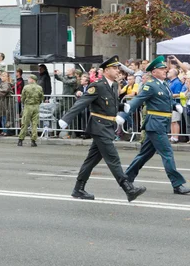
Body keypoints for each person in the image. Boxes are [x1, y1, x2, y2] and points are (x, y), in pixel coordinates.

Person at [58, 55, 147, 202]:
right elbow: (82, 103)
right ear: (106, 70)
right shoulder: (97, 86)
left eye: (118, 68)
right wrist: (66, 119)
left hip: (107, 127)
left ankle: (78, 189)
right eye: (114, 68)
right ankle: (128, 188)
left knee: (91, 160)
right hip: (99, 126)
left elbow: (108, 104)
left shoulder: (113, 85)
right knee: (113, 158)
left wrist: (120, 106)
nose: (117, 70)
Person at [120, 55, 190, 195]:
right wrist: (123, 114)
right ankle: (177, 184)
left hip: (161, 123)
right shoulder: (150, 85)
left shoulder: (164, 84)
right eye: (161, 68)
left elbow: (166, 100)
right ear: (154, 72)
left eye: (165, 68)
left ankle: (126, 178)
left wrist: (174, 105)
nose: (165, 70)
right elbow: (137, 100)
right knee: (167, 153)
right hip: (155, 124)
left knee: (144, 154)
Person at [17, 74, 43, 147]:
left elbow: (23, 98)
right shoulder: (39, 88)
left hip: (28, 106)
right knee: (34, 124)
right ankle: (33, 140)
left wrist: (24, 102)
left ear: (32, 79)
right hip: (36, 106)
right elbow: (41, 97)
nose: (28, 80)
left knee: (25, 123)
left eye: (29, 78)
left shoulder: (26, 87)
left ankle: (21, 139)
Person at [0, 71, 13, 136]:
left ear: (7, 77)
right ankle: (3, 130)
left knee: (5, 118)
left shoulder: (7, 84)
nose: (2, 77)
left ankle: (6, 131)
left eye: (4, 76)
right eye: (2, 76)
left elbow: (3, 91)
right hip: (2, 103)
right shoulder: (2, 83)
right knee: (2, 117)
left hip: (6, 103)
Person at [167, 68, 183, 143]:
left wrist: (169, 95)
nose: (168, 72)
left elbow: (178, 94)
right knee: (172, 121)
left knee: (175, 121)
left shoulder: (177, 82)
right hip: (169, 104)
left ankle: (176, 137)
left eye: (170, 71)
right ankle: (172, 136)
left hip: (175, 103)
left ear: (174, 73)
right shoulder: (169, 81)